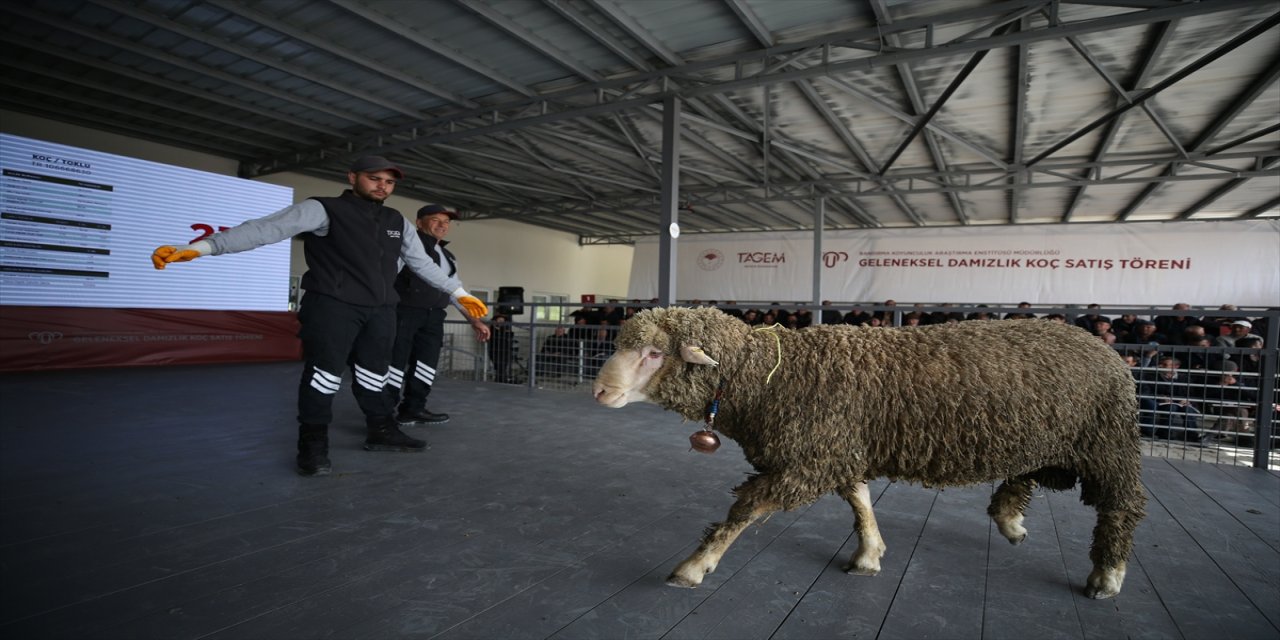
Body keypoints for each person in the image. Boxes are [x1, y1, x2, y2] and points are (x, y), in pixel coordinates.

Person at [150, 156, 488, 476]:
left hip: (382, 310)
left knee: (376, 374)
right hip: (333, 306)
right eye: (374, 179)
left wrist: (459, 294)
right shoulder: (324, 209)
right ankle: (312, 445)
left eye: (388, 182)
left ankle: (382, 430)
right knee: (323, 375)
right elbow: (265, 229)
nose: (383, 186)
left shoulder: (395, 221)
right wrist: (203, 247)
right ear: (352, 178)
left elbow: (421, 263)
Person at [386, 205, 491, 427]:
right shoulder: (404, 247)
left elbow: (454, 291)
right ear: (419, 222)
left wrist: (474, 320)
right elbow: (386, 278)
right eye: (435, 220)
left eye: (446, 222)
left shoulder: (449, 257)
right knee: (394, 363)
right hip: (403, 313)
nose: (442, 225)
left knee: (426, 364)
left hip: (433, 317)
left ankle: (413, 409)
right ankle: (383, 415)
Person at [488, 314, 518, 383]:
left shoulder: (505, 329)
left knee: (503, 367)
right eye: (499, 320)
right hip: (495, 350)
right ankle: (500, 380)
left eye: (502, 321)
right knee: (498, 366)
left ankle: (501, 380)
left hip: (505, 351)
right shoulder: (492, 329)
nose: (501, 322)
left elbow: (510, 335)